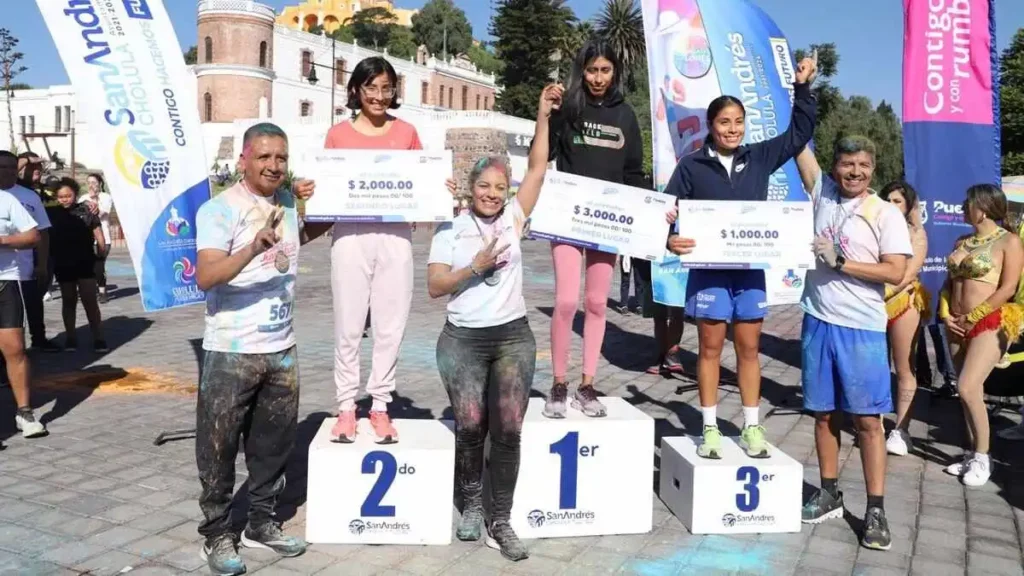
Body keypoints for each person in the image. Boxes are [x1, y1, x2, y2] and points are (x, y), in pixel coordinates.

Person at [428, 84, 561, 562]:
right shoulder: (450, 227)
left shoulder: (514, 218)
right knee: (470, 427)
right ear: (470, 188)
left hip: (512, 338)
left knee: (507, 430)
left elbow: (539, 168)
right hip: (461, 341)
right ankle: (470, 503)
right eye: (483, 186)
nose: (491, 194)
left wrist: (542, 114)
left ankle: (499, 518)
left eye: (498, 188)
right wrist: (475, 269)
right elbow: (436, 286)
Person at [664, 57, 818, 458]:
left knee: (749, 350)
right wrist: (669, 239)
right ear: (711, 126)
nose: (732, 130)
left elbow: (800, 132)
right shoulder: (691, 166)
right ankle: (710, 428)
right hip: (710, 274)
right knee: (711, 349)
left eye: (738, 122)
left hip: (749, 273)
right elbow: (663, 210)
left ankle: (752, 427)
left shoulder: (760, 157)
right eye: (724, 123)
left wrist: (802, 90)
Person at [193, 122, 327, 576]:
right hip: (232, 349)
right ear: (243, 160)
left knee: (274, 445)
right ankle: (215, 534)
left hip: (281, 347)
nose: (273, 166)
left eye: (281, 158)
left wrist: (335, 205)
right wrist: (251, 247)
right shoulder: (218, 209)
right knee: (219, 447)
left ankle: (261, 523)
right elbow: (206, 276)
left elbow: (297, 240)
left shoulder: (287, 203)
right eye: (264, 157)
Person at [323, 56, 455, 444]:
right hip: (349, 236)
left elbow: (423, 185)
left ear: (395, 91)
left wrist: (438, 190)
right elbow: (327, 186)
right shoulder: (337, 135)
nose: (379, 96)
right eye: (371, 88)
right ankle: (346, 406)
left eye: (386, 88)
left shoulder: (408, 132)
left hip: (395, 235)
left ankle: (380, 405)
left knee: (389, 325)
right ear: (356, 90)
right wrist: (309, 192)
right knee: (348, 325)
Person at [792, 138, 912, 551]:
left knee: (867, 422)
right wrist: (802, 87)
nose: (854, 172)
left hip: (862, 329)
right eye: (846, 164)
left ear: (873, 169)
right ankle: (829, 493)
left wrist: (841, 263)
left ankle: (876, 508)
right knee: (823, 415)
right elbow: (800, 143)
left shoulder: (885, 213)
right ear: (835, 167)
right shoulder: (822, 190)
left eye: (862, 165)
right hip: (818, 321)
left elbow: (896, 271)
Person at [542, 39, 647, 419]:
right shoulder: (568, 107)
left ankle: (587, 384)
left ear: (615, 71)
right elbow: (546, 154)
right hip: (567, 219)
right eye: (591, 70)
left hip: (609, 224)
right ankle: (558, 382)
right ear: (580, 71)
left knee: (597, 303)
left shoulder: (626, 115)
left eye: (605, 70)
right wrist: (545, 114)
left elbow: (634, 173)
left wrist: (649, 219)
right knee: (567, 301)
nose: (598, 78)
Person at [939, 184, 1023, 488]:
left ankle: (983, 457)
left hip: (990, 322)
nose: (962, 206)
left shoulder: (1009, 242)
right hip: (956, 324)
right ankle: (972, 452)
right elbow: (949, 283)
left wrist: (973, 316)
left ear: (983, 207)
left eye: (967, 202)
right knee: (966, 396)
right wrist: (947, 315)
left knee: (967, 387)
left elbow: (1008, 287)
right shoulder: (962, 240)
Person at [878, 181, 929, 456]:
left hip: (903, 302)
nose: (891, 204)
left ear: (908, 205)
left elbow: (908, 273)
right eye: (887, 199)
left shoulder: (916, 233)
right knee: (875, 365)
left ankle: (901, 430)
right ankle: (872, 421)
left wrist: (879, 293)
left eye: (897, 200)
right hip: (872, 305)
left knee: (904, 367)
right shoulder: (875, 228)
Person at [0, 150, 45, 437]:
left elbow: (33, 236)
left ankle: (24, 413)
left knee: (15, 348)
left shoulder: (9, 200)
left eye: (8, 167)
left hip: (5, 281)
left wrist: (3, 240)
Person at [46, 179, 108, 352]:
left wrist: (101, 254)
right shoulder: (51, 212)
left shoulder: (87, 210)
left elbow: (99, 235)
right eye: (61, 196)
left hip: (85, 261)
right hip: (63, 262)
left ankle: (98, 338)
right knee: (68, 300)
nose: (65, 199)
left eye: (68, 195)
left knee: (90, 300)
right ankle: (71, 338)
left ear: (75, 194)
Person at [79, 173, 114, 303]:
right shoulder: (83, 198)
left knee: (99, 266)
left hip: (103, 237)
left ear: (100, 183)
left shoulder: (106, 197)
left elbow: (101, 214)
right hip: (86, 237)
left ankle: (102, 291)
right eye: (89, 182)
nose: (91, 185)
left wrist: (94, 200)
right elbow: (81, 215)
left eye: (94, 182)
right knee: (87, 266)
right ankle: (88, 290)